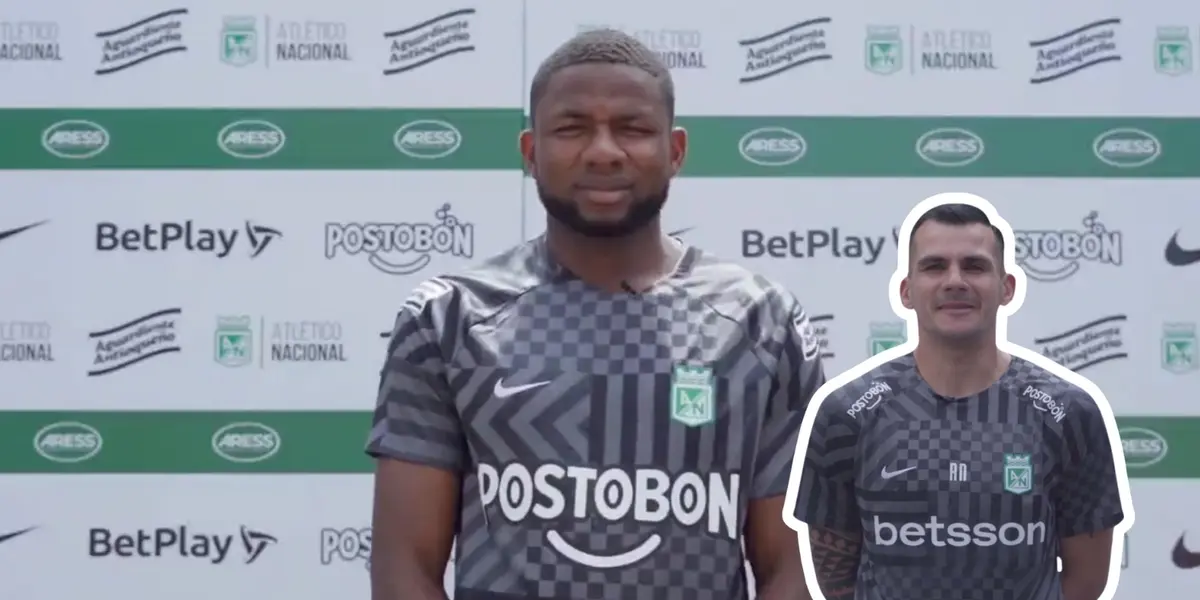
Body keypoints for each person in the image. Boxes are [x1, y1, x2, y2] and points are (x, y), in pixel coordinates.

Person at [366, 28, 826, 600]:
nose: (604, 151)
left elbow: (794, 568)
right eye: (571, 128)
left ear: (675, 151)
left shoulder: (761, 322)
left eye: (632, 128)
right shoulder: (449, 318)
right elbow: (404, 568)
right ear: (531, 153)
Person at [791, 203, 1126, 600]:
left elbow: (1086, 581)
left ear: (1007, 288)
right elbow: (835, 580)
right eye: (934, 267)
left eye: (975, 266)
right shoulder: (846, 413)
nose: (955, 281)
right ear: (906, 291)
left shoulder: (1070, 413)